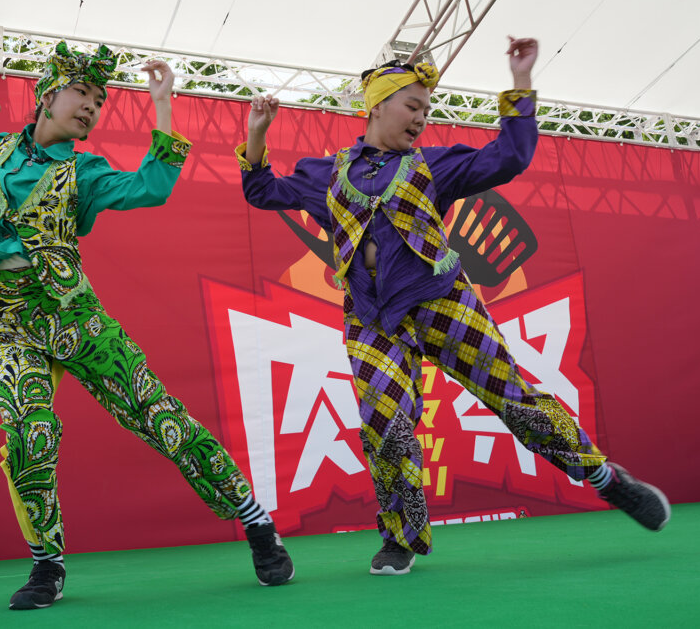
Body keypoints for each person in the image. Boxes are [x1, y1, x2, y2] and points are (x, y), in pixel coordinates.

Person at [236, 37, 669, 576]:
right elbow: (261, 191)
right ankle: (400, 538)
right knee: (385, 424)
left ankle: (608, 481)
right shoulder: (325, 174)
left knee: (514, 400)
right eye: (412, 106)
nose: (421, 119)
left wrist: (520, 83)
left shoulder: (434, 166)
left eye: (427, 111)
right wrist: (257, 134)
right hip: (371, 320)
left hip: (442, 302)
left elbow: (509, 156)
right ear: (376, 105)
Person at [0, 42, 294, 610]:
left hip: (74, 316)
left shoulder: (85, 170)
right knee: (29, 434)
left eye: (99, 102)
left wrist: (163, 104)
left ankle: (255, 521)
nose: (92, 108)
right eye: (82, 94)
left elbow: (153, 186)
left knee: (158, 416)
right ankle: (46, 566)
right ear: (48, 96)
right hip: (5, 318)